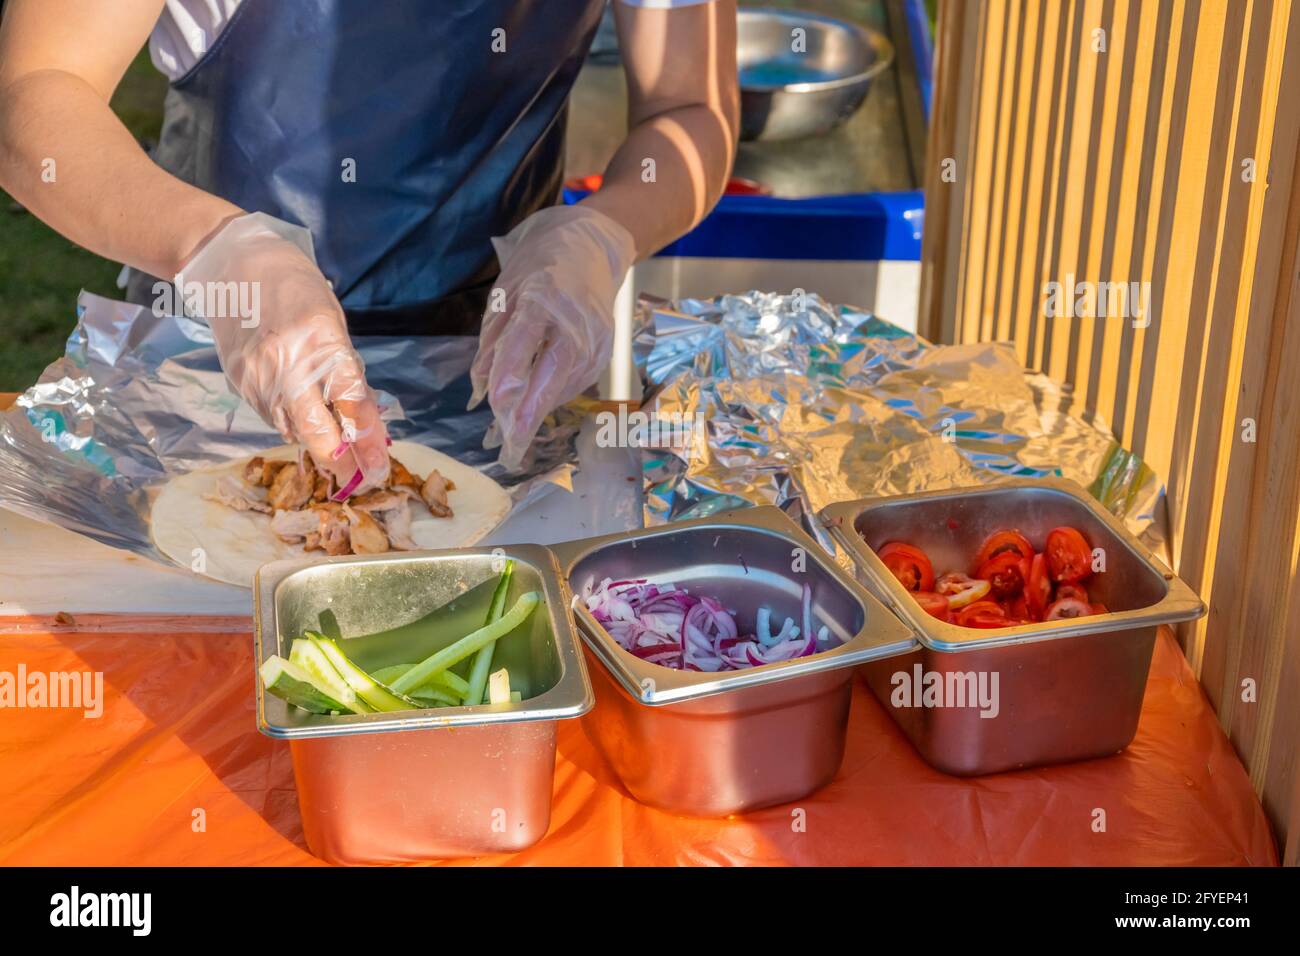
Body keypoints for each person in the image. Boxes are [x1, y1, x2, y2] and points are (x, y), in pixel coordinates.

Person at [0, 0, 738, 494]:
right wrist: (218, 251)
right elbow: (35, 94)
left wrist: (602, 234)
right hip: (210, 361)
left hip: (499, 362)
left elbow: (690, 107)